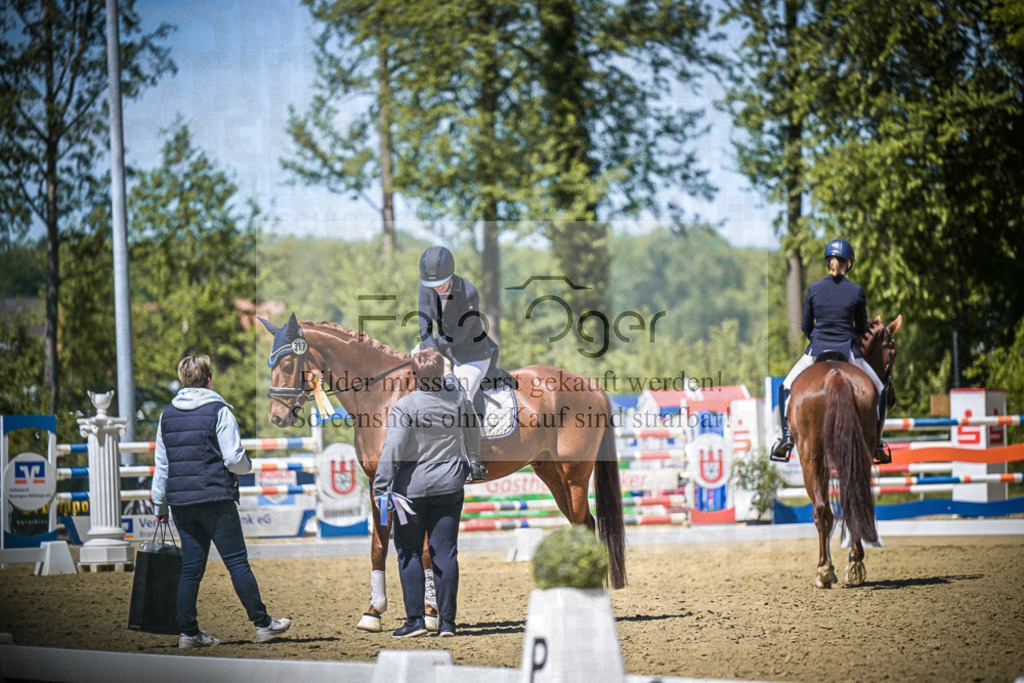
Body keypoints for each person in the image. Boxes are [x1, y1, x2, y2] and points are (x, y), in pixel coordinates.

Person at [152, 355, 292, 648]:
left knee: (191, 569)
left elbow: (162, 465)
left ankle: (188, 633)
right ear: (209, 378)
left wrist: (159, 505)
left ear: (182, 379)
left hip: (181, 503)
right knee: (237, 563)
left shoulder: (167, 414)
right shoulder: (219, 410)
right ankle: (263, 624)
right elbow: (232, 457)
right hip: (215, 498)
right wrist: (247, 466)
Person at [372, 348, 470, 638]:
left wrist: (380, 487)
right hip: (450, 487)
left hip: (410, 493)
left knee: (410, 552)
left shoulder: (405, 406)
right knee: (446, 554)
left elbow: (392, 451)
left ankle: (415, 620)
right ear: (442, 374)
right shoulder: (458, 398)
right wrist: (473, 464)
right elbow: (472, 433)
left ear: (413, 376)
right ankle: (448, 624)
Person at [770, 239, 891, 465]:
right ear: (849, 263)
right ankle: (877, 445)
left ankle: (786, 438)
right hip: (848, 352)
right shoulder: (856, 291)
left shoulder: (814, 289)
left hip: (817, 350)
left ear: (829, 263)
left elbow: (806, 325)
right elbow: (862, 330)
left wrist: (817, 340)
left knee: (785, 386)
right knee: (881, 389)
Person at [417, 245, 494, 481]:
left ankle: (474, 462)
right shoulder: (425, 288)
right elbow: (424, 325)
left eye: (441, 283)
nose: (436, 289)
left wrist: (435, 351)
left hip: (472, 354)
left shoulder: (469, 292)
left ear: (451, 275)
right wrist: (429, 352)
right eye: (432, 285)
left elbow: (459, 335)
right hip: (443, 349)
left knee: (462, 395)